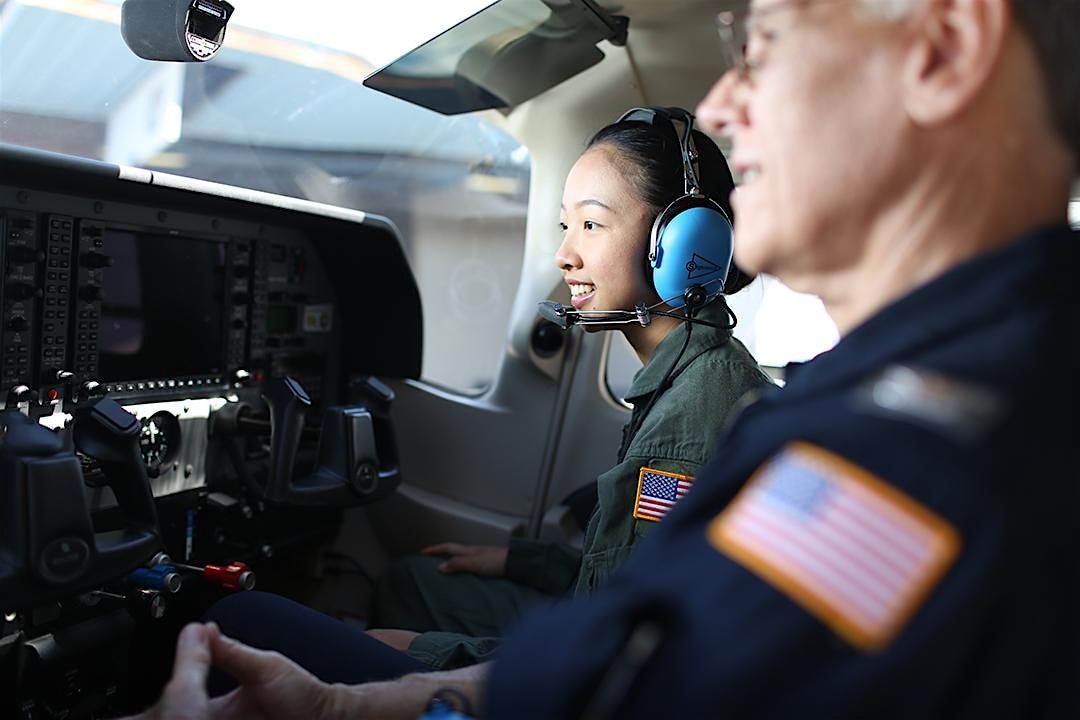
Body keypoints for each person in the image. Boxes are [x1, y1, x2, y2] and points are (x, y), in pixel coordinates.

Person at [126, 0, 1080, 717]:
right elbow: (649, 645)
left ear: (945, 49)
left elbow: (629, 683)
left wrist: (386, 692)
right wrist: (347, 704)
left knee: (225, 625)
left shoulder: (925, 448)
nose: (725, 100)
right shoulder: (905, 386)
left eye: (764, 45)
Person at [359, 107, 770, 670]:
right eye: (564, 226)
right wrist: (524, 562)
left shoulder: (685, 428)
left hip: (600, 666)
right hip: (594, 622)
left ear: (678, 242)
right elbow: (627, 576)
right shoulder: (697, 376)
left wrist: (433, 657)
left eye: (591, 225)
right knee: (413, 580)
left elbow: (616, 657)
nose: (564, 255)